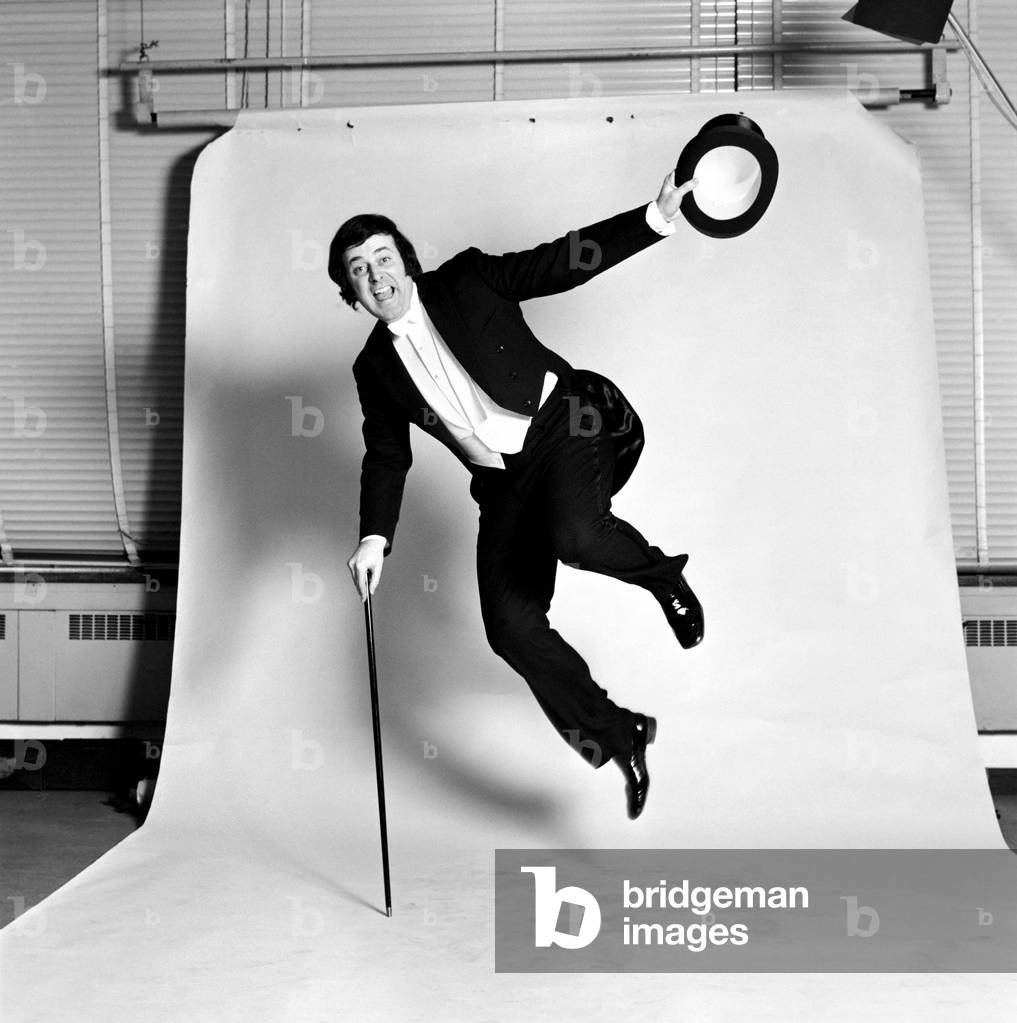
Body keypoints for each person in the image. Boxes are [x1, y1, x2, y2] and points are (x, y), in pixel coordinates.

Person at [327, 169, 704, 820]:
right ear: (351, 291)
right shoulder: (373, 368)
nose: (375, 275)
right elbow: (387, 455)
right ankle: (619, 733)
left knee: (577, 536)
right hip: (500, 481)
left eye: (382, 257)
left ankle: (662, 576)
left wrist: (653, 217)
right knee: (510, 628)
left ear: (405, 261)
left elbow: (561, 262)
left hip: (562, 423)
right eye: (358, 269)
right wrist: (373, 537)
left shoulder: (467, 279)